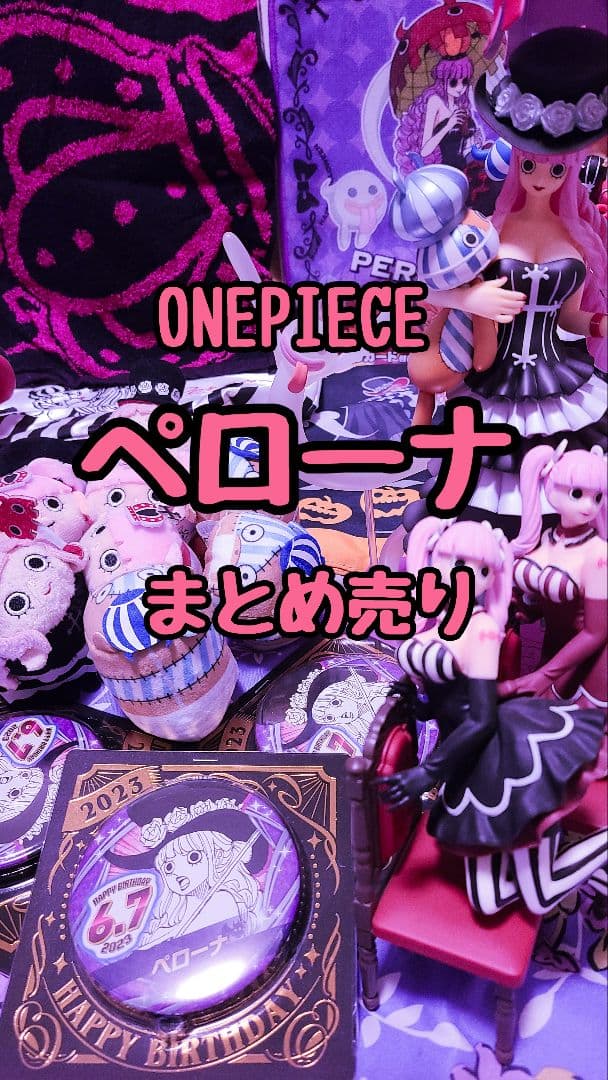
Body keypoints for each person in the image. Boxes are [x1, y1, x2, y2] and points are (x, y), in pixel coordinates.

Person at [408, 29, 607, 526]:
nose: (540, 178)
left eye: (555, 170)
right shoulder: (486, 229)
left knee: (568, 475)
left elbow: (569, 315)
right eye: (530, 164)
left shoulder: (576, 235)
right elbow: (428, 291)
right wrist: (470, 301)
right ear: (516, 159)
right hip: (492, 372)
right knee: (483, 475)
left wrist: (598, 324)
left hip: (558, 375)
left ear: (570, 170)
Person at [375, 517, 607, 916]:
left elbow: (479, 719)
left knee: (541, 894)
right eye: (456, 562)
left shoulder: (481, 629)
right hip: (466, 762)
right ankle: (575, 865)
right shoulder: (434, 616)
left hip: (499, 758)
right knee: (488, 901)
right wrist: (416, 703)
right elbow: (446, 700)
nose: (468, 577)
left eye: (482, 571)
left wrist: (427, 772)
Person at [499, 443, 607, 711]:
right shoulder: (548, 538)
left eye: (597, 497)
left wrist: (542, 676)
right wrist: (529, 608)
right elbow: (555, 597)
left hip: (591, 660)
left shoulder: (599, 554)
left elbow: (596, 632)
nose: (588, 506)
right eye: (577, 493)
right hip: (554, 649)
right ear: (548, 486)